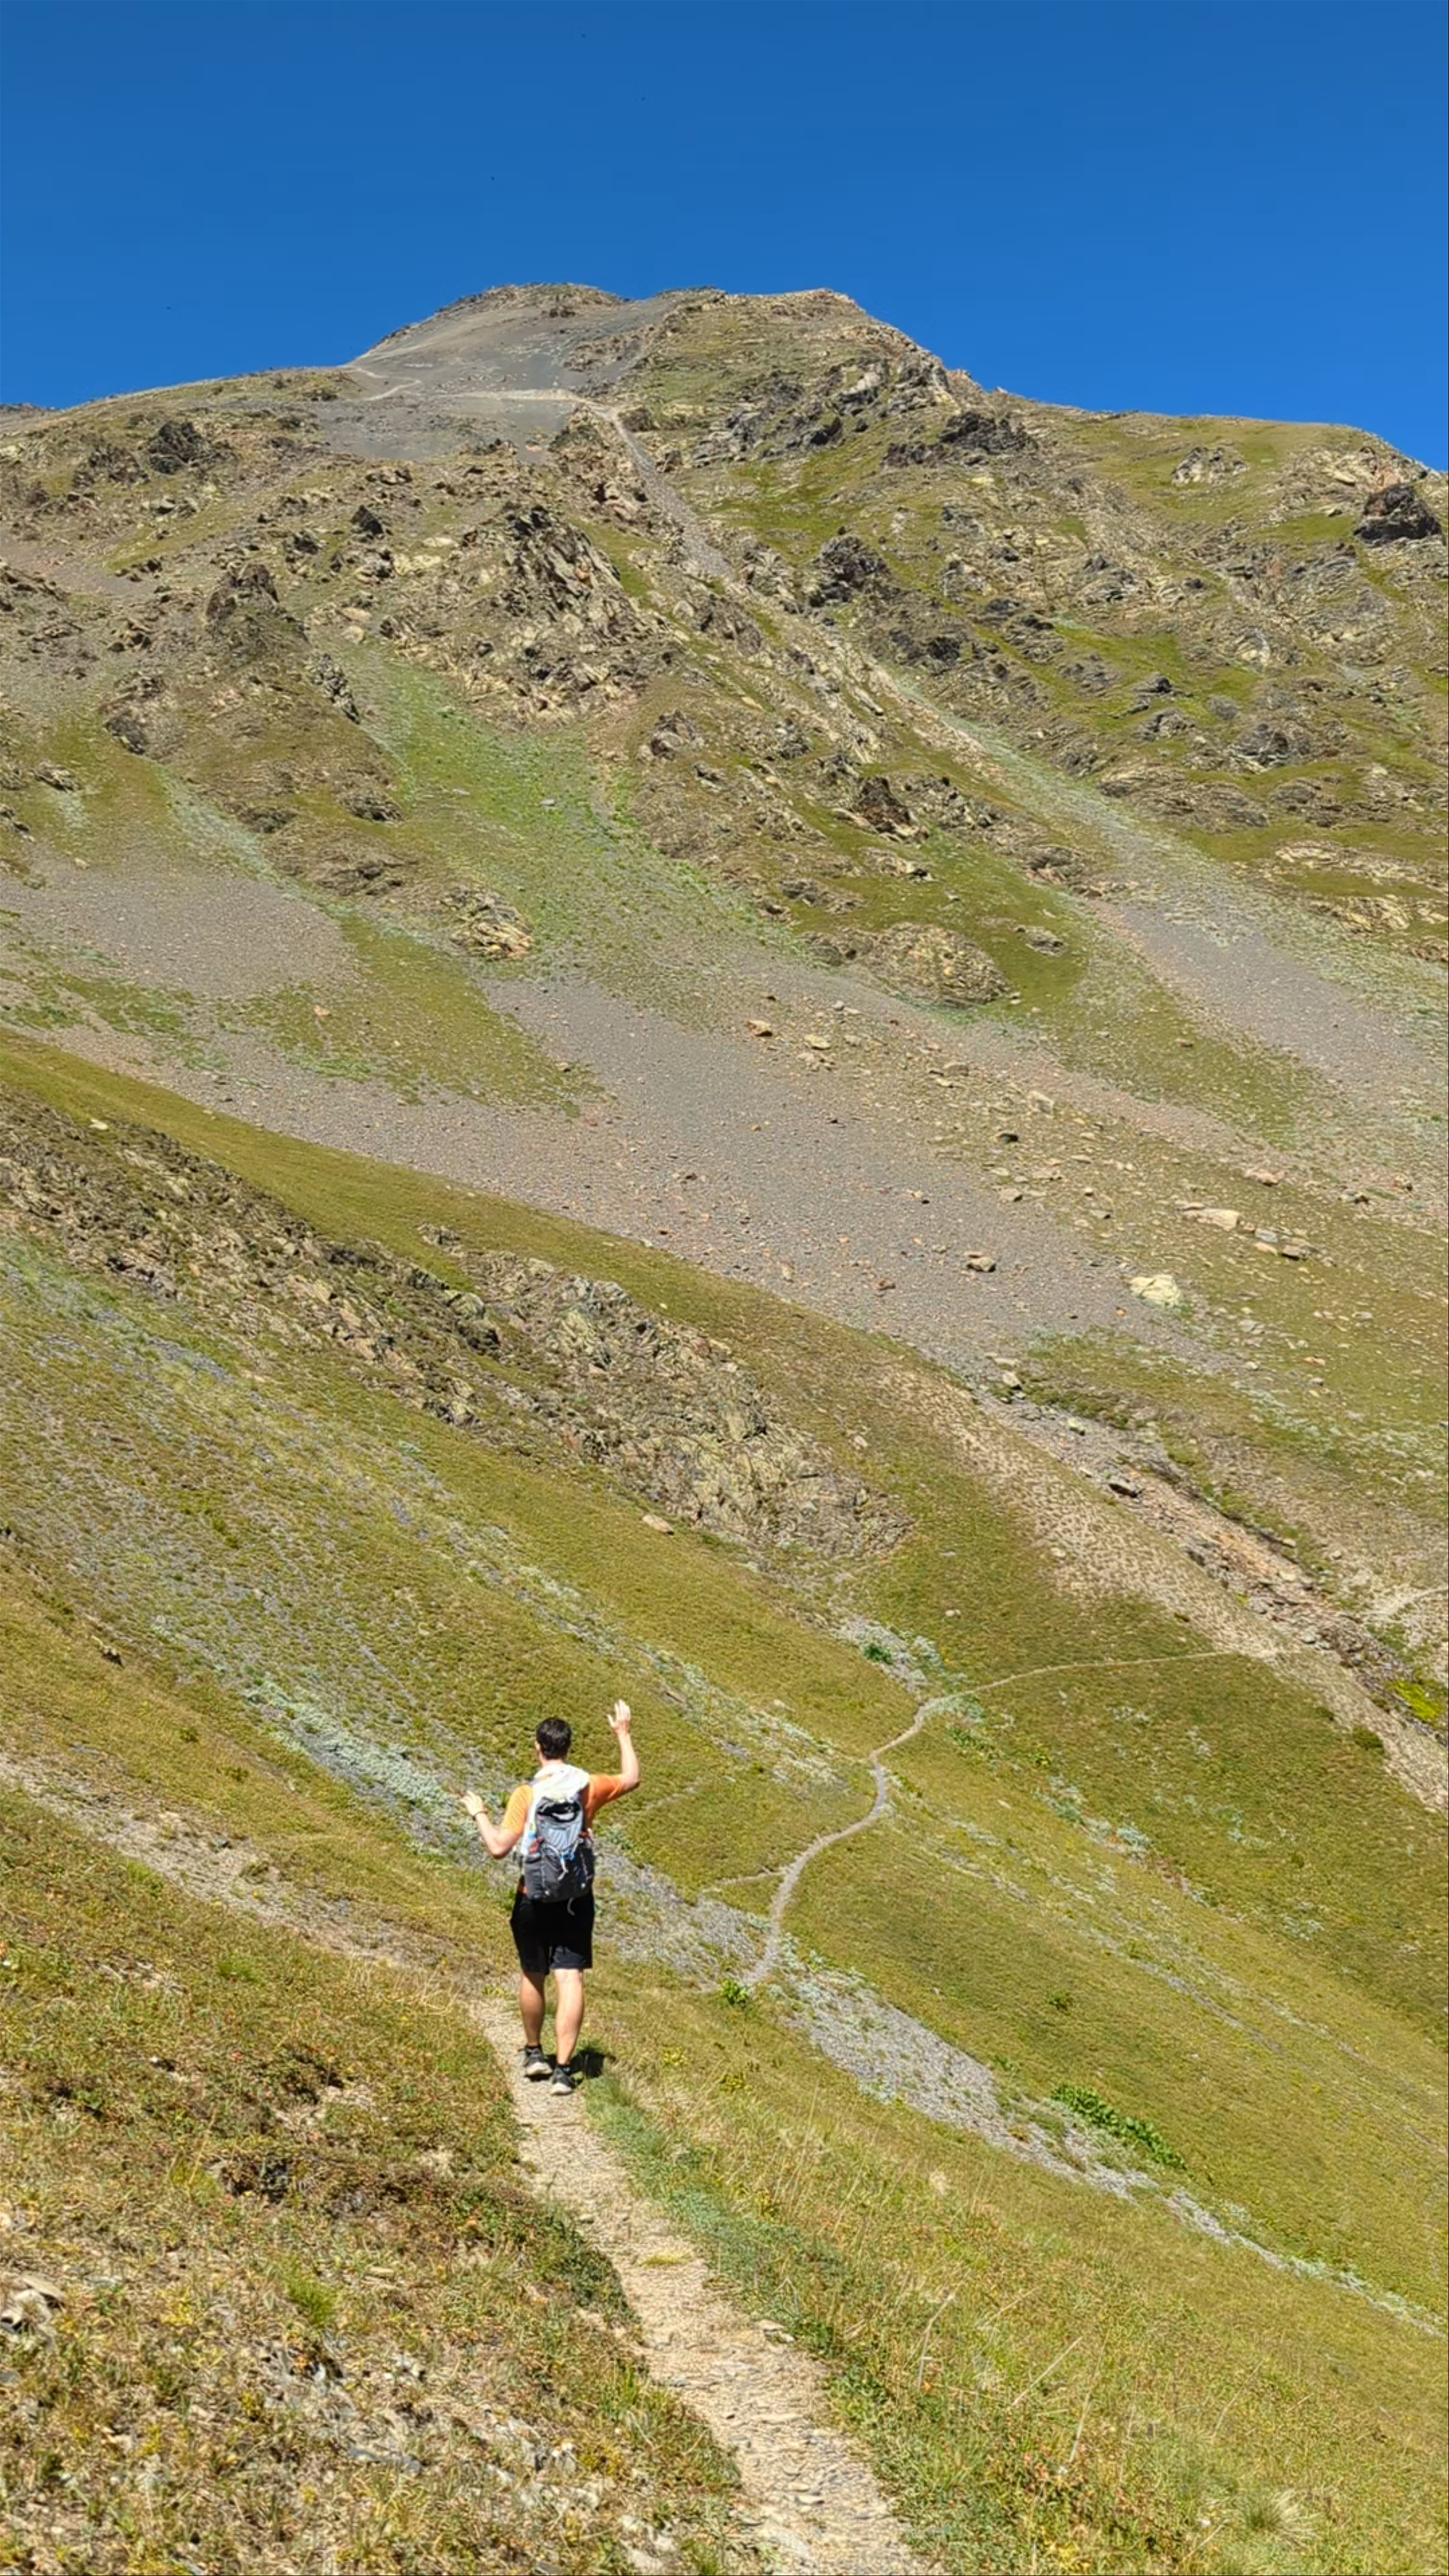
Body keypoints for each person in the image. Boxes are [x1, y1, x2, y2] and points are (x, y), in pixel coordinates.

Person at [462, 1701, 639, 2095]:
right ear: (569, 1747)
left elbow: (497, 1847)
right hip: (576, 1897)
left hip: (534, 1896)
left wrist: (479, 1812)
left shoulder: (527, 1793)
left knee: (533, 1974)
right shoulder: (588, 1786)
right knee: (571, 1977)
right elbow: (631, 1778)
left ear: (538, 1748)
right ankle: (563, 2071)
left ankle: (534, 2053)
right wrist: (623, 1733)